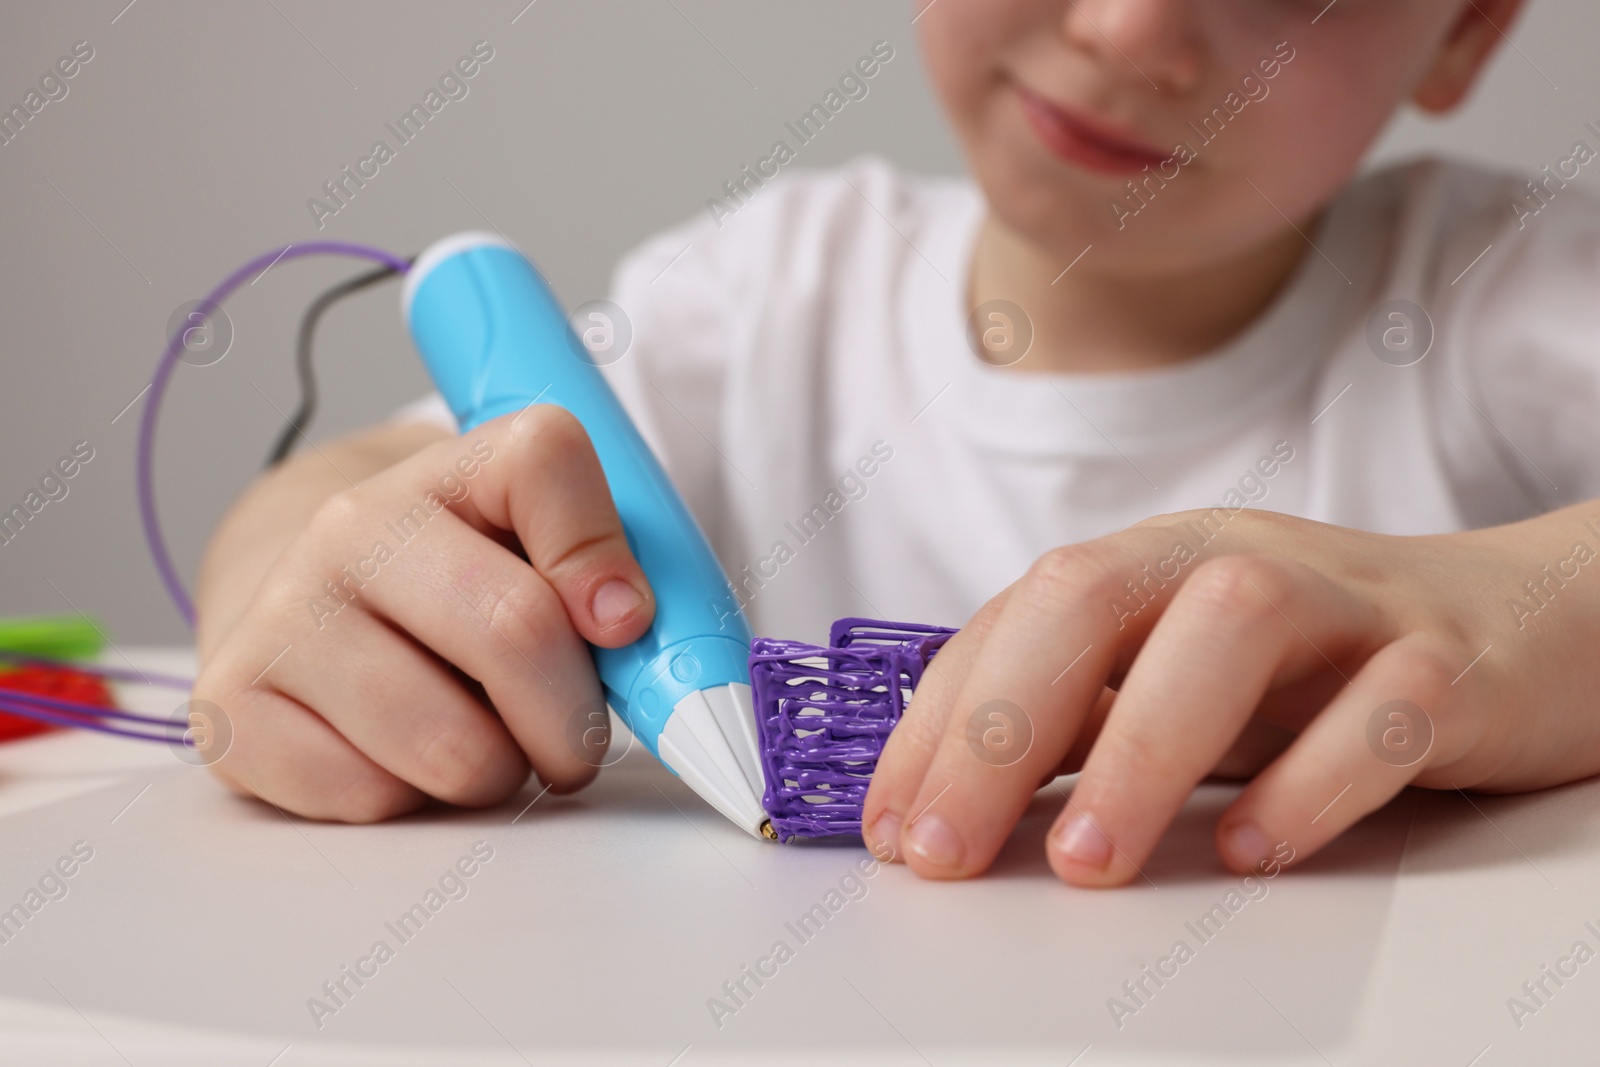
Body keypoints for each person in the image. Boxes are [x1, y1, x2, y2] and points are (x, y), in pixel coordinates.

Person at [195, 0, 1598, 888]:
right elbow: (339, 500)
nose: (1125, 27)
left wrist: (1526, 619)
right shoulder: (760, 300)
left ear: (1469, 28)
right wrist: (291, 585)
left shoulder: (1515, 294)